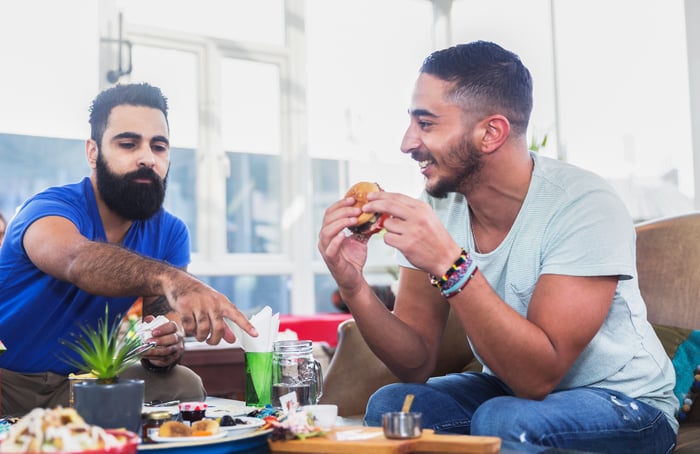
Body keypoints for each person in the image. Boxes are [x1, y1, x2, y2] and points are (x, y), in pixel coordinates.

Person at [318, 41, 677, 453]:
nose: (406, 142)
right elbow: (415, 363)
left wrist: (450, 265)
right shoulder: (438, 203)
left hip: (626, 405)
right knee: (395, 404)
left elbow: (536, 377)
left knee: (504, 417)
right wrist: (353, 286)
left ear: (491, 132)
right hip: (512, 393)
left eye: (427, 124)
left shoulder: (584, 205)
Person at [0, 83, 257, 416]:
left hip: (83, 386)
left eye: (159, 146)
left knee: (182, 384)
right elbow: (77, 259)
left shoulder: (171, 232)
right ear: (92, 152)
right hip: (6, 382)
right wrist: (170, 278)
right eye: (128, 143)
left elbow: (164, 317)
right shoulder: (48, 209)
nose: (147, 158)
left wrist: (166, 344)